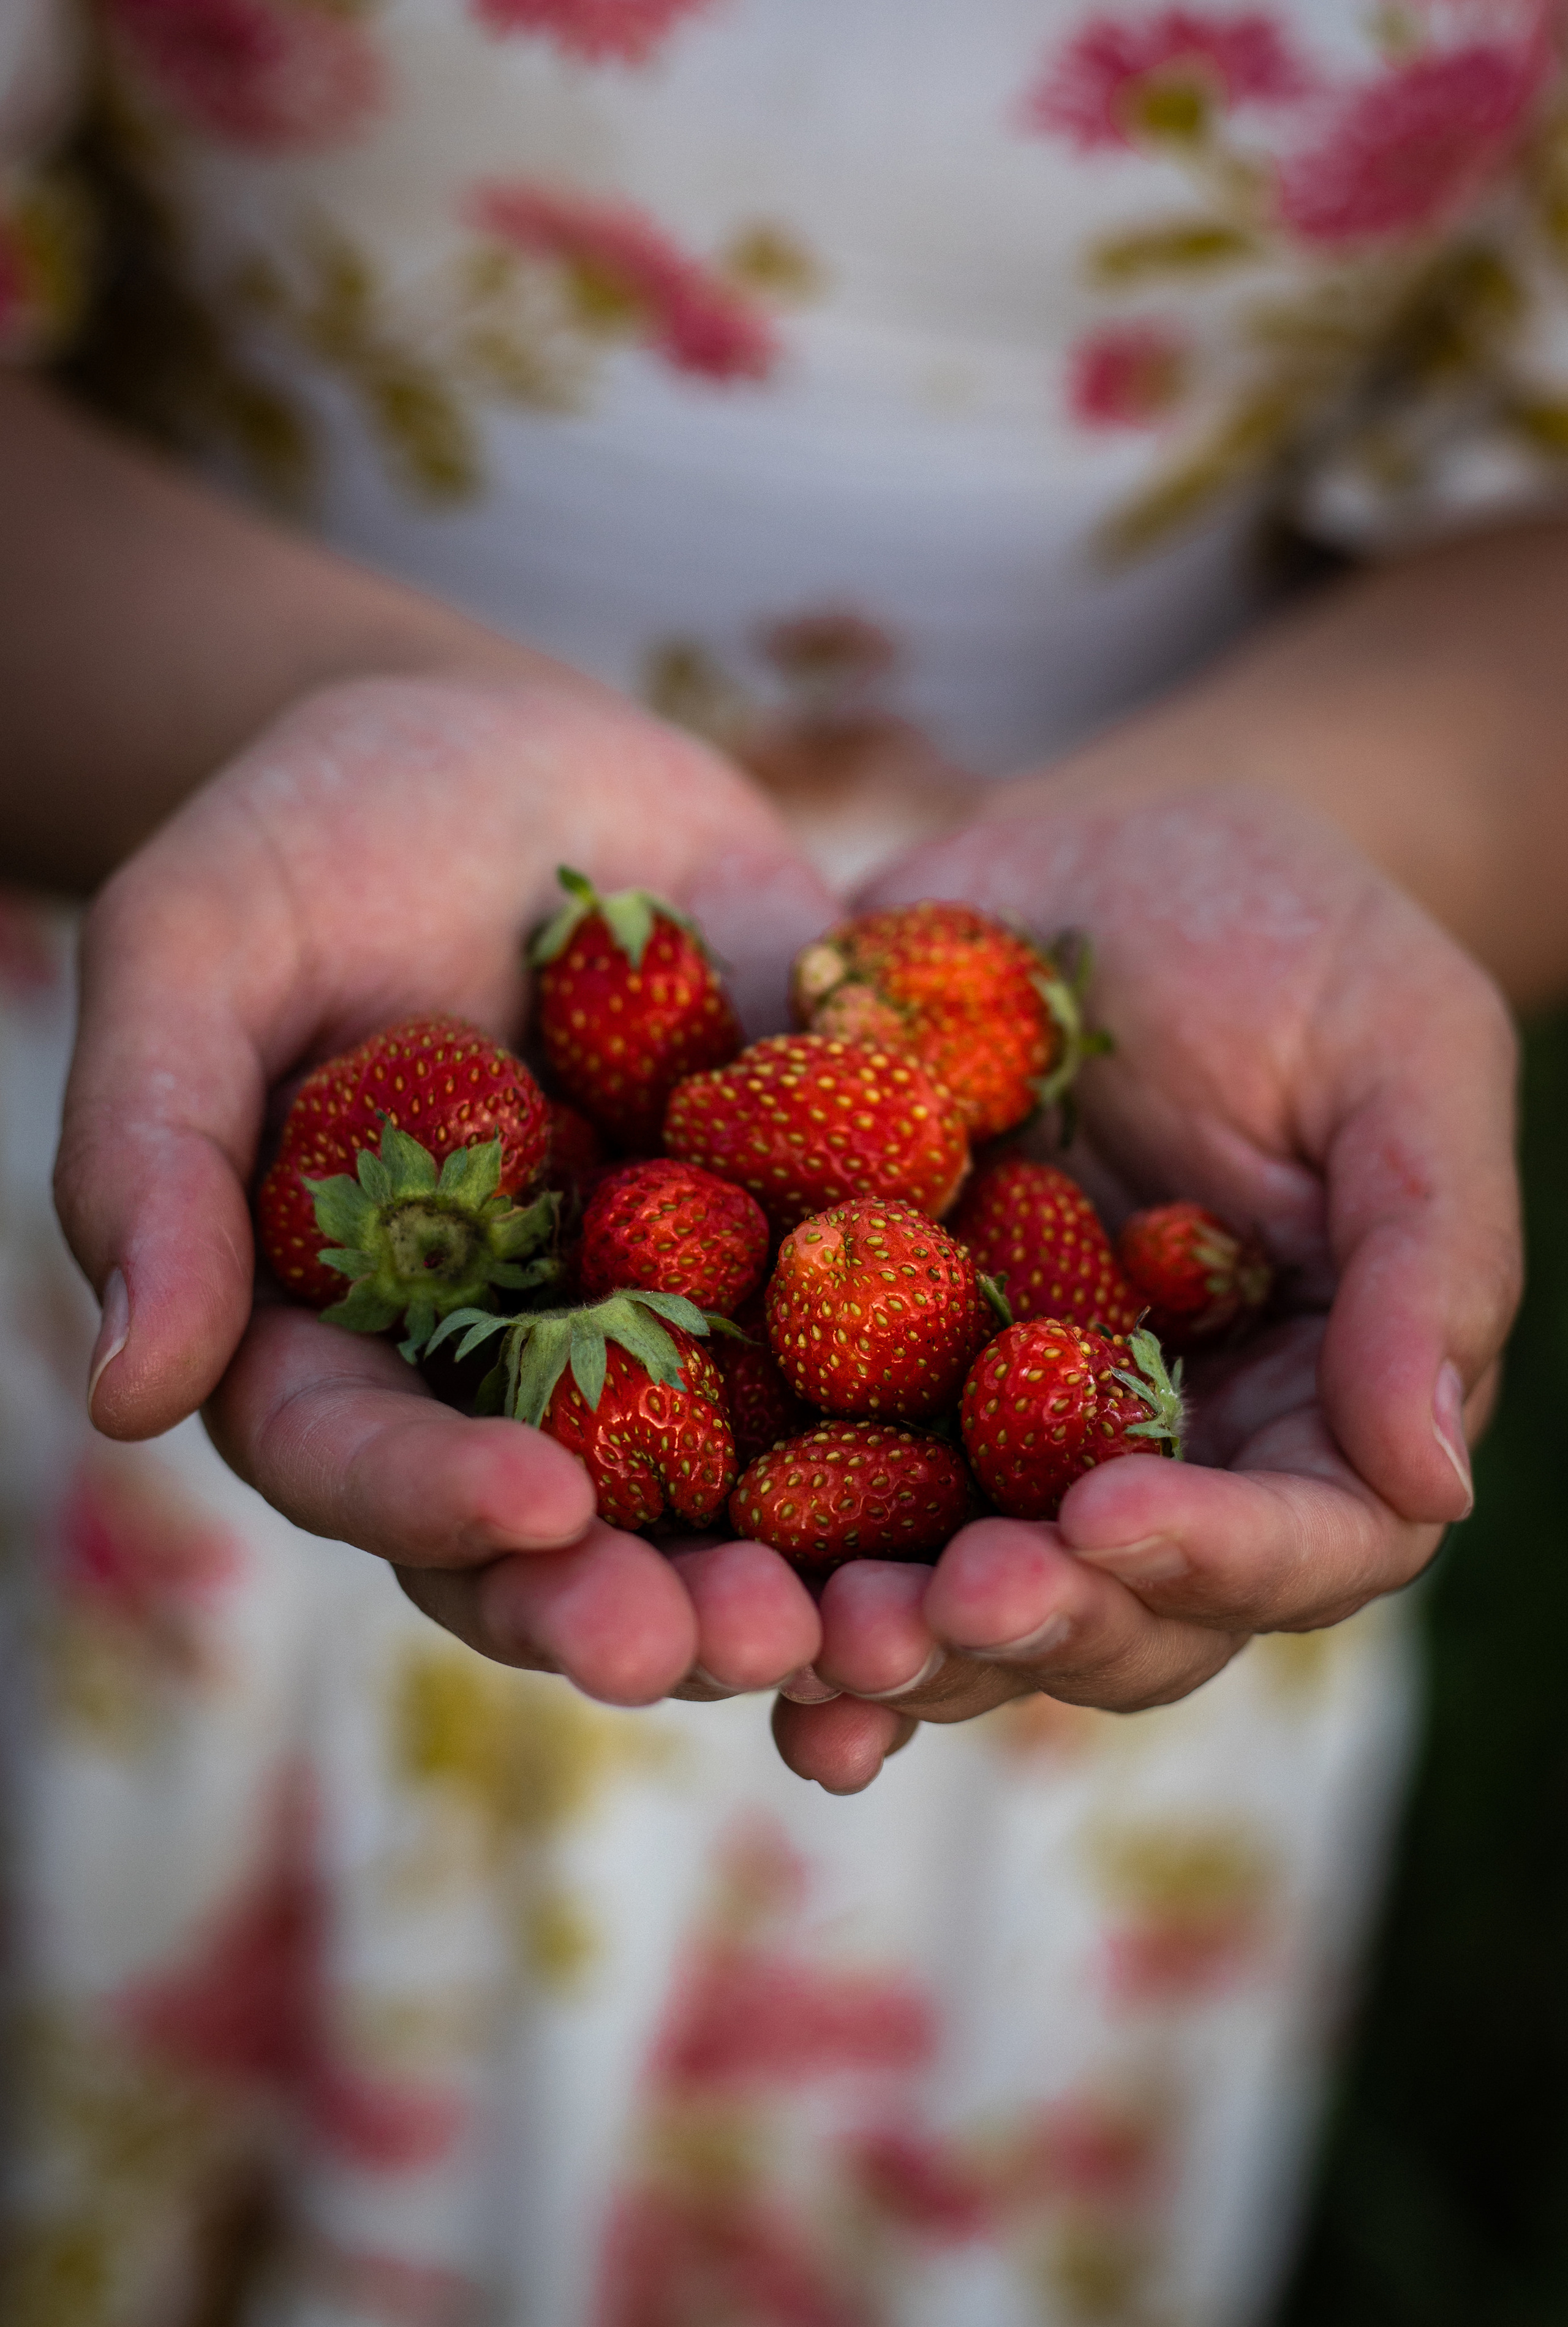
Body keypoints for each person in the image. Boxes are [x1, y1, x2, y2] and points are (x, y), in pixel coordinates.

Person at [0, 0, 1540, 2318]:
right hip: (225, 991)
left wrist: (1349, 828)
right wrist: (284, 715)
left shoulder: (957, 1248)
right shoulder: (694, 1181)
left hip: (1111, 1129)